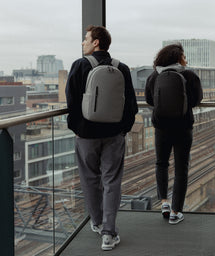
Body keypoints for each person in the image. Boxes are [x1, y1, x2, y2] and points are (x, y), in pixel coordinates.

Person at [65, 25, 138, 250]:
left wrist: (77, 127)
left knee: (89, 179)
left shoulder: (79, 65)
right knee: (111, 181)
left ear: (96, 42)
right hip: (114, 134)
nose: (83, 42)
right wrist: (122, 129)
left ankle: (96, 223)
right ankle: (109, 233)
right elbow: (131, 105)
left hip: (86, 135)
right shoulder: (122, 68)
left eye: (86, 39)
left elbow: (71, 100)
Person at [145, 44, 203, 224]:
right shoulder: (189, 75)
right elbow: (197, 98)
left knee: (161, 163)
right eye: (184, 56)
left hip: (161, 127)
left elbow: (149, 99)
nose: (186, 60)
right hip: (183, 127)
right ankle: (176, 211)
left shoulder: (155, 75)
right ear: (178, 58)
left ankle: (164, 202)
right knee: (181, 168)